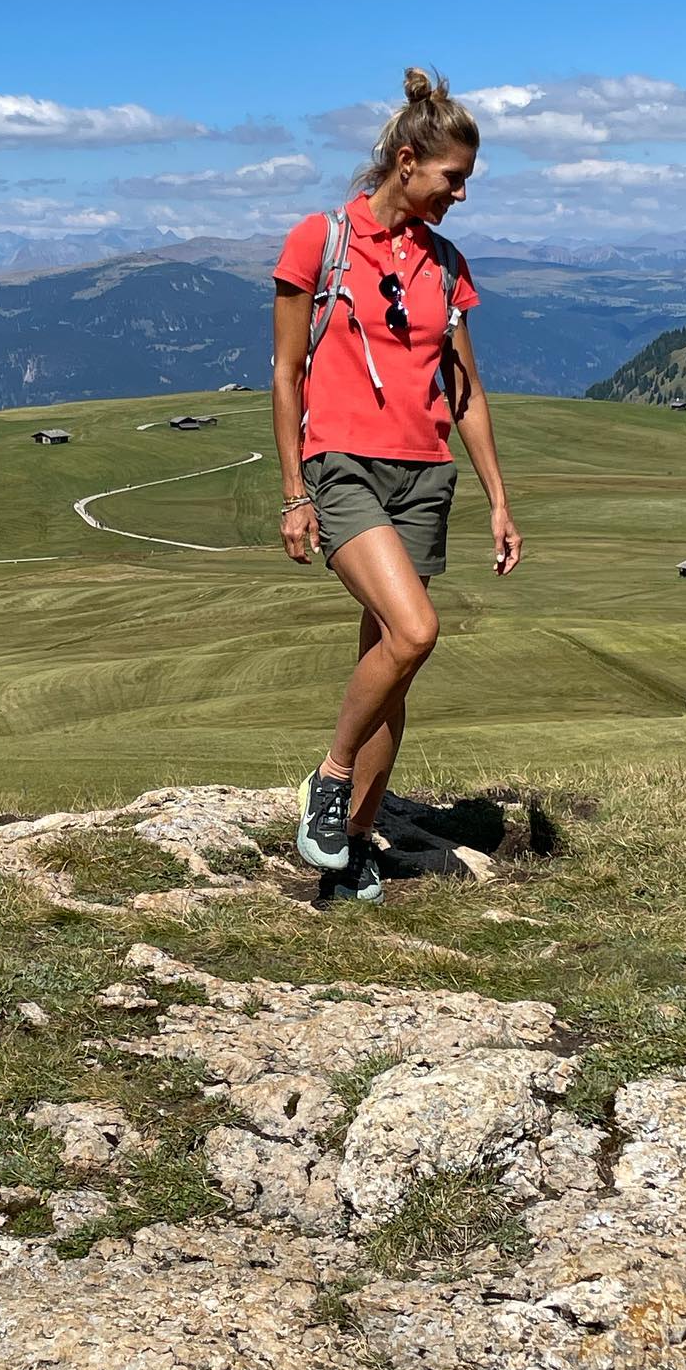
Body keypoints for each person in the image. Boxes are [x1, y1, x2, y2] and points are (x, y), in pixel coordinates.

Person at [271, 66, 522, 905]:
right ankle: (329, 779)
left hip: (425, 474)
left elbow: (467, 392)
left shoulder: (447, 264)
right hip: (340, 464)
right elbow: (284, 374)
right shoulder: (320, 240)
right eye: (454, 180)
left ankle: (353, 846)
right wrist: (295, 493)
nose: (461, 196)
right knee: (416, 631)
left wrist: (498, 499)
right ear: (408, 161)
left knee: (389, 661)